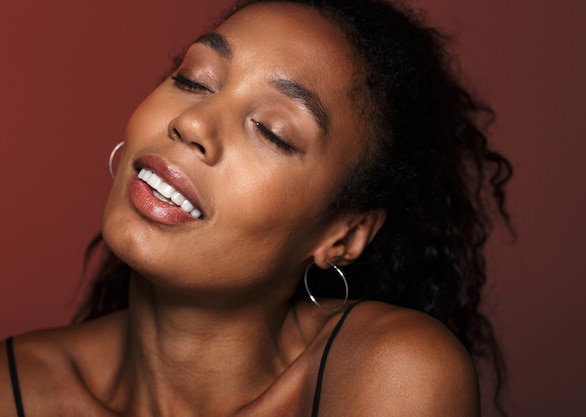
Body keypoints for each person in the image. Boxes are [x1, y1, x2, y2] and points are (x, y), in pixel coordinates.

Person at [0, 0, 512, 415]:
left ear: (343, 234)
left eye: (272, 130)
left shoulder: (396, 374)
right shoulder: (13, 390)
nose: (193, 123)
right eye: (194, 80)